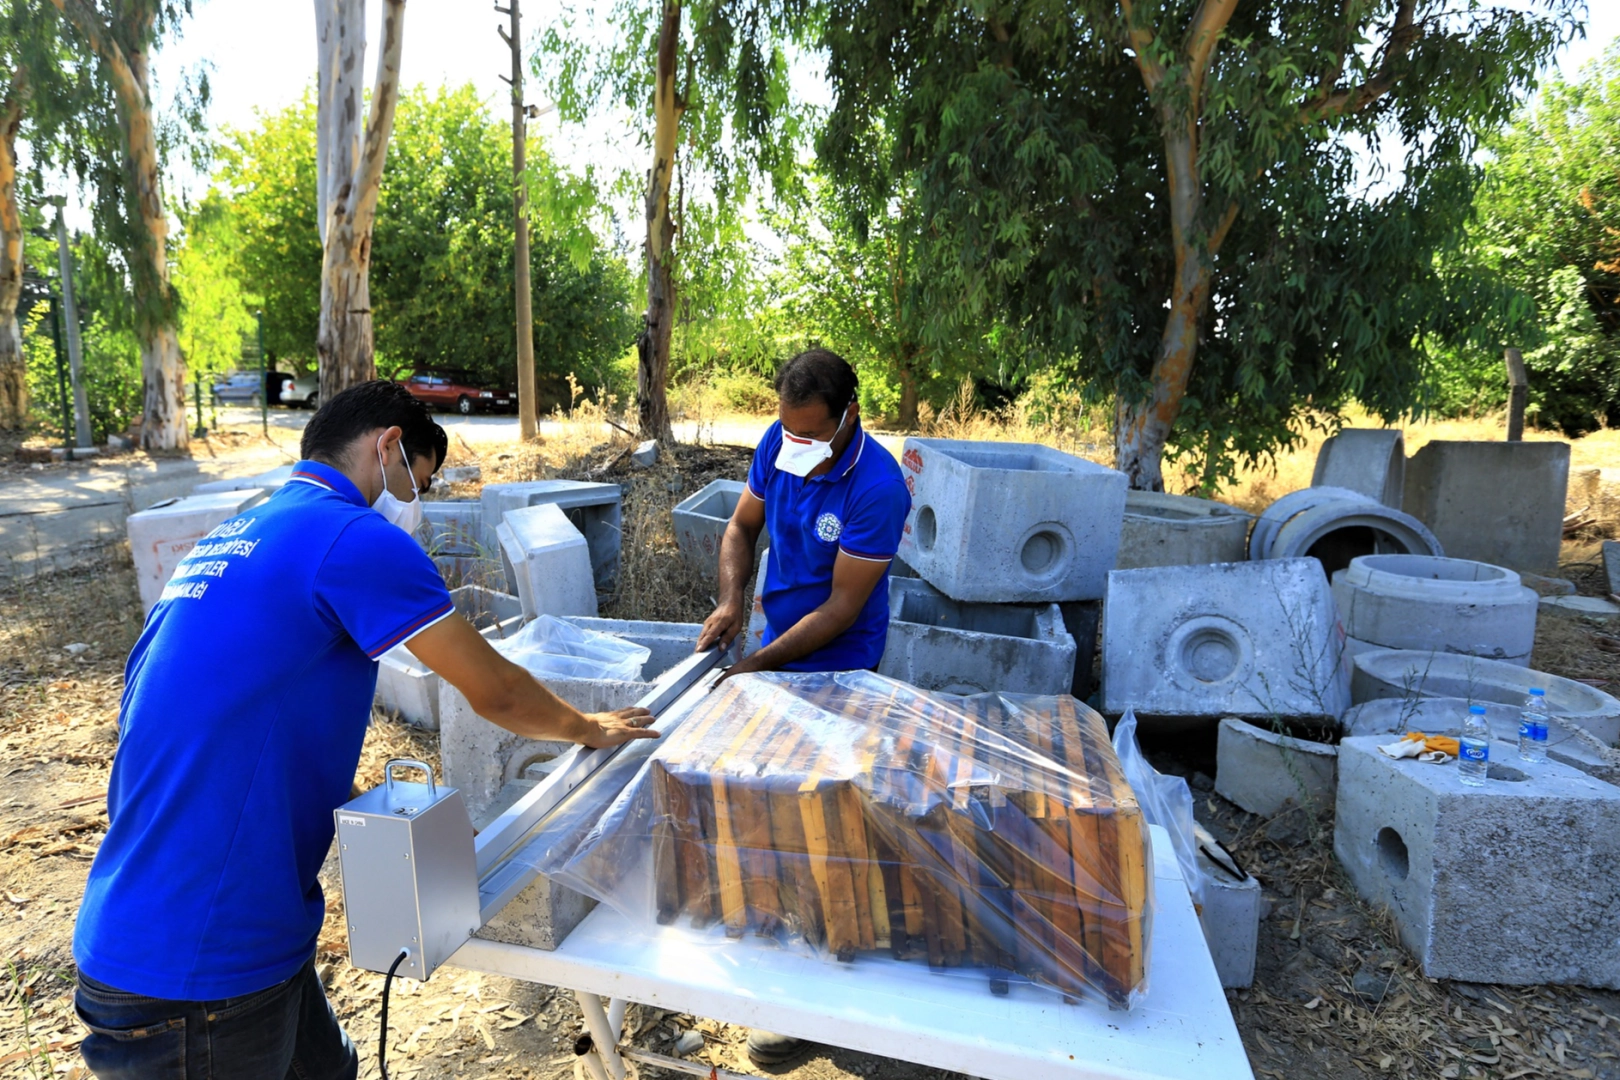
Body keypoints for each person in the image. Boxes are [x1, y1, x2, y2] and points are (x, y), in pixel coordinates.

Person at [72, 381, 655, 1080]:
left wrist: (402, 821)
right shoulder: (352, 536)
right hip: (200, 968)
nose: (413, 501)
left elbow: (234, 720)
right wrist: (586, 726)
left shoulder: (240, 533)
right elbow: (494, 690)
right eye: (419, 481)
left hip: (194, 929)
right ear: (388, 446)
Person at [695, 348, 911, 1065]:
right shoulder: (781, 441)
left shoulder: (877, 487)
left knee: (832, 826)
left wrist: (756, 667)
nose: (800, 449)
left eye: (814, 436)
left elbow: (845, 607)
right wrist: (732, 601)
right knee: (774, 815)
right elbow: (739, 529)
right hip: (771, 649)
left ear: (851, 414)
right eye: (790, 433)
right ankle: (783, 969)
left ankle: (828, 997)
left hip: (839, 669)